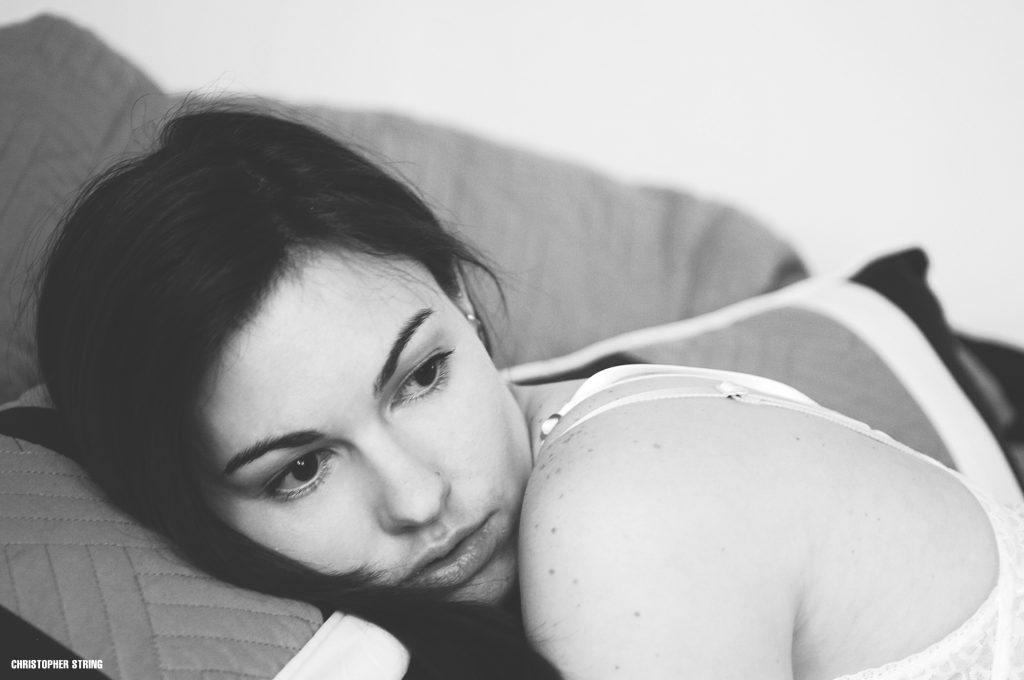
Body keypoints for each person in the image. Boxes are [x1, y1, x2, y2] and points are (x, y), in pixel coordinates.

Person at [34, 106, 1024, 680]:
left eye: (421, 375)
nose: (418, 497)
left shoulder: (618, 513)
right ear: (186, 506)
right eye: (300, 467)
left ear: (463, 305)